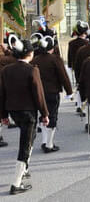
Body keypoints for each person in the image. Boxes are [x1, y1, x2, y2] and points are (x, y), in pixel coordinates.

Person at [0, 39, 49, 195]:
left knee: (30, 137)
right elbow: (39, 95)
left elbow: (2, 94)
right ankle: (16, 183)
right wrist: (45, 114)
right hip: (28, 112)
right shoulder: (32, 70)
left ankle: (25, 167)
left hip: (13, 111)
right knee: (25, 146)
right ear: (30, 54)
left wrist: (3, 115)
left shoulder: (6, 70)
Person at [31, 36, 73, 153]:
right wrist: (69, 91)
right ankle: (49, 144)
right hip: (52, 92)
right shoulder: (56, 59)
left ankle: (44, 141)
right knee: (52, 117)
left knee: (43, 115)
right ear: (52, 48)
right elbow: (63, 77)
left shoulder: (34, 60)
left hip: (38, 93)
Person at [74, 27, 90, 134]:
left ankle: (87, 122)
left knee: (86, 102)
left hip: (84, 79)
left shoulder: (81, 50)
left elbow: (77, 67)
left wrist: (78, 80)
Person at [68, 21, 89, 115]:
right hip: (86, 67)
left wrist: (69, 65)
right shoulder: (87, 43)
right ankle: (83, 104)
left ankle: (78, 105)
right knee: (85, 85)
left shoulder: (71, 43)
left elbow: (69, 55)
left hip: (75, 66)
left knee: (78, 85)